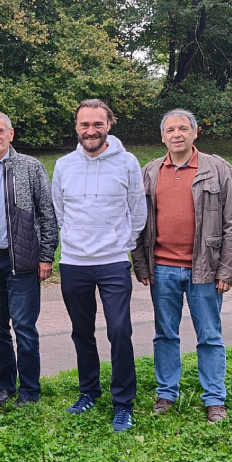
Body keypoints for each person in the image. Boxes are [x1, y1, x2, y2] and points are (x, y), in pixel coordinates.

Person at [130, 109, 232, 424]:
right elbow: (138, 223)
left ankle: (214, 399)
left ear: (195, 133)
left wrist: (228, 269)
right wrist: (141, 264)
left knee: (209, 334)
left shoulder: (218, 169)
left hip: (204, 268)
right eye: (170, 130)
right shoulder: (149, 172)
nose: (176, 134)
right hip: (162, 268)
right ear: (163, 136)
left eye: (182, 128)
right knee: (164, 333)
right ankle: (166, 393)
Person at [51, 99, 146, 432]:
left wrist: (121, 244)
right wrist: (75, 240)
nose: (90, 130)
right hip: (74, 262)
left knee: (120, 330)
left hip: (113, 262)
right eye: (84, 124)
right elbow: (58, 210)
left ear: (109, 124)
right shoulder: (64, 165)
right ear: (76, 127)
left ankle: (123, 403)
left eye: (97, 124)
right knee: (82, 331)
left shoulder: (128, 163)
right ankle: (88, 391)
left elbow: (138, 210)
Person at [0, 111, 58, 407]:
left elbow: (47, 214)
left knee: (23, 326)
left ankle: (30, 389)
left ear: (10, 133)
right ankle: (5, 384)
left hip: (20, 261)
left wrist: (46, 256)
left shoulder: (30, 167)